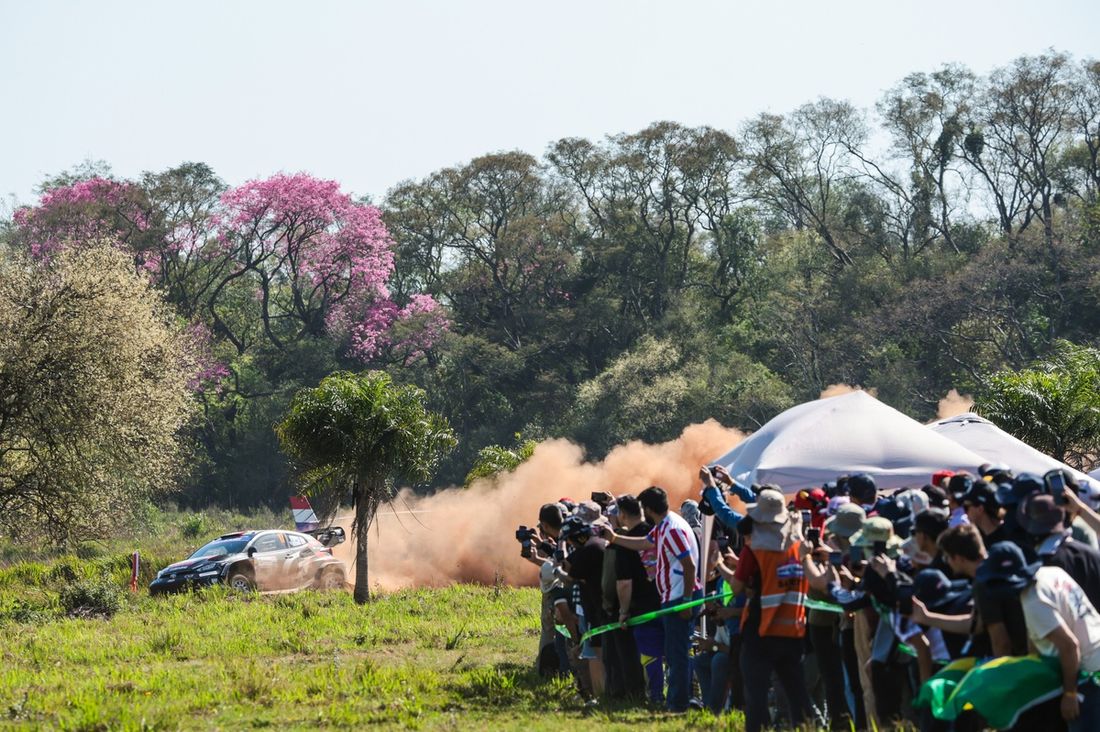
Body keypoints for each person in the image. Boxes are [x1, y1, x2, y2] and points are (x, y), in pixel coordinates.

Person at [717, 486, 814, 732]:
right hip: (792, 629)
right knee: (797, 693)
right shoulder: (799, 546)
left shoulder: (754, 549)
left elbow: (737, 587)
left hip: (760, 629)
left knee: (756, 695)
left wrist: (719, 565)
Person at [976, 542, 1100, 730]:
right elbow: (1036, 637)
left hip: (1089, 677)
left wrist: (1070, 694)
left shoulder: (1033, 599)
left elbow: (1069, 646)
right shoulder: (1051, 573)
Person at [600, 485, 701, 713]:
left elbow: (689, 565)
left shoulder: (672, 529)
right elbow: (645, 543)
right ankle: (678, 700)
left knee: (677, 654)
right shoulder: (663, 525)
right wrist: (615, 538)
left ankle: (678, 704)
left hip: (680, 597)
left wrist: (686, 600)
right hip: (672, 596)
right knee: (675, 653)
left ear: (647, 509)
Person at [610, 494, 661, 703]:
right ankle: (676, 693)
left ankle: (652, 696)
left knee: (648, 653)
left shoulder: (625, 543)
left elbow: (624, 583)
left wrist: (623, 611)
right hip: (667, 599)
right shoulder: (656, 532)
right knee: (671, 651)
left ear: (622, 515)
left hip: (642, 607)